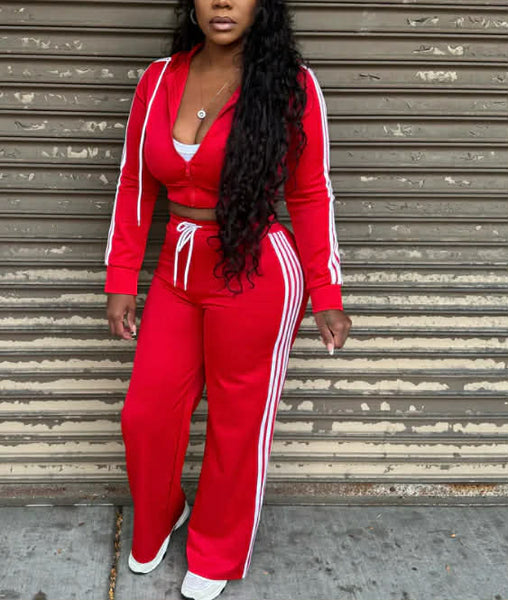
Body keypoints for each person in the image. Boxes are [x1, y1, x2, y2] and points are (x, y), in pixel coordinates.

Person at [104, 0, 352, 598]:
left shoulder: (292, 85)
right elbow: (135, 181)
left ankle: (217, 548)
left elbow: (310, 193)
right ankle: (164, 513)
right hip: (177, 268)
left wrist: (326, 290)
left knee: (237, 426)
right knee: (145, 415)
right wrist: (121, 277)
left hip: (256, 270)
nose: (222, 2)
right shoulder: (159, 79)